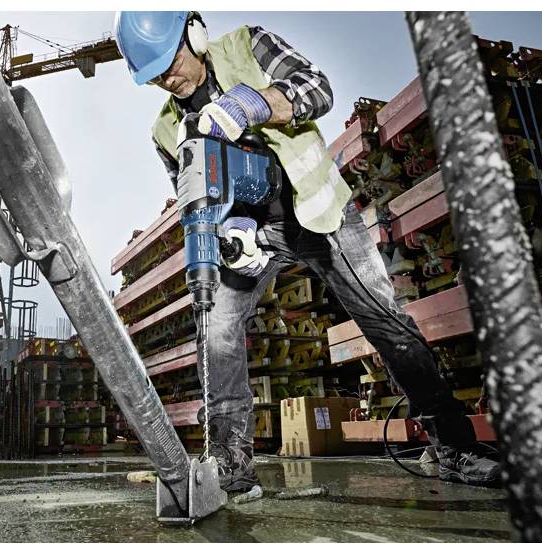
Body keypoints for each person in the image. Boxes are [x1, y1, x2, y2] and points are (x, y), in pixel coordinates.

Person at [114, 11, 500, 492]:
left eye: (170, 61)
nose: (168, 79)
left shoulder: (247, 47)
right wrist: (230, 234)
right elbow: (193, 193)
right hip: (251, 233)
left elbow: (317, 87)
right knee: (215, 329)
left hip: (318, 212)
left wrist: (255, 104)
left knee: (386, 321)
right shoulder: (164, 130)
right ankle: (230, 469)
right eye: (153, 76)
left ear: (194, 33)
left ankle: (454, 446)